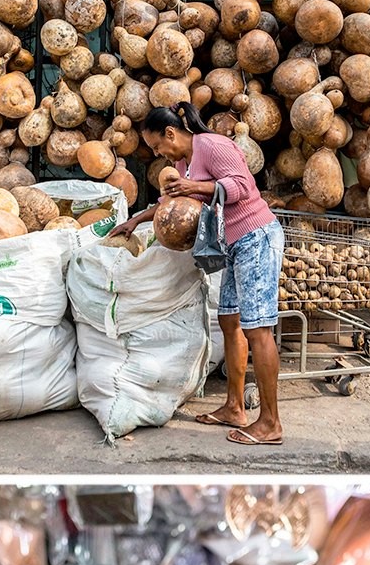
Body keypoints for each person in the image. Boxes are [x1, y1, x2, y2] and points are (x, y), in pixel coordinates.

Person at [114, 102, 287, 447]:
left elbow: (240, 187)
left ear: (170, 133)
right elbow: (169, 204)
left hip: (257, 237)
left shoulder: (212, 145)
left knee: (258, 329)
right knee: (229, 321)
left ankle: (270, 422)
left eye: (156, 145)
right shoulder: (183, 163)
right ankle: (235, 407)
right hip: (234, 246)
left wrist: (195, 188)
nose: (158, 153)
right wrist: (136, 220)